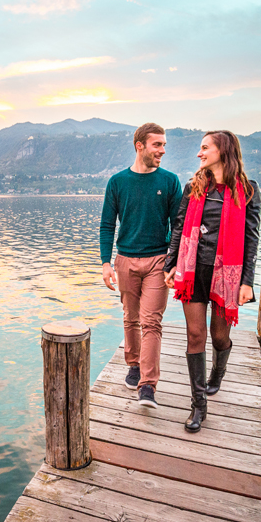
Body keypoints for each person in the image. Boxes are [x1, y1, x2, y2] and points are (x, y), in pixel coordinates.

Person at [163, 130, 261, 432]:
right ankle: (198, 405)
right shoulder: (193, 186)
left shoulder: (247, 189)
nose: (199, 153)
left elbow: (251, 238)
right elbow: (179, 226)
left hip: (226, 275)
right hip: (193, 272)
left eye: (205, 148)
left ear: (223, 151)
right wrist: (171, 264)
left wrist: (247, 282)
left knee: (219, 337)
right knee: (195, 335)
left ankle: (218, 372)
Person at [100, 123, 183, 409]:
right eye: (156, 145)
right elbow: (107, 225)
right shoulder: (117, 182)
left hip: (158, 261)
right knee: (130, 317)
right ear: (140, 146)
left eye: (163, 145)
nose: (162, 150)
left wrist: (173, 263)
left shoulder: (170, 181)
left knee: (151, 322)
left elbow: (179, 226)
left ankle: (147, 385)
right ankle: (133, 365)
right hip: (124, 259)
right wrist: (105, 263)